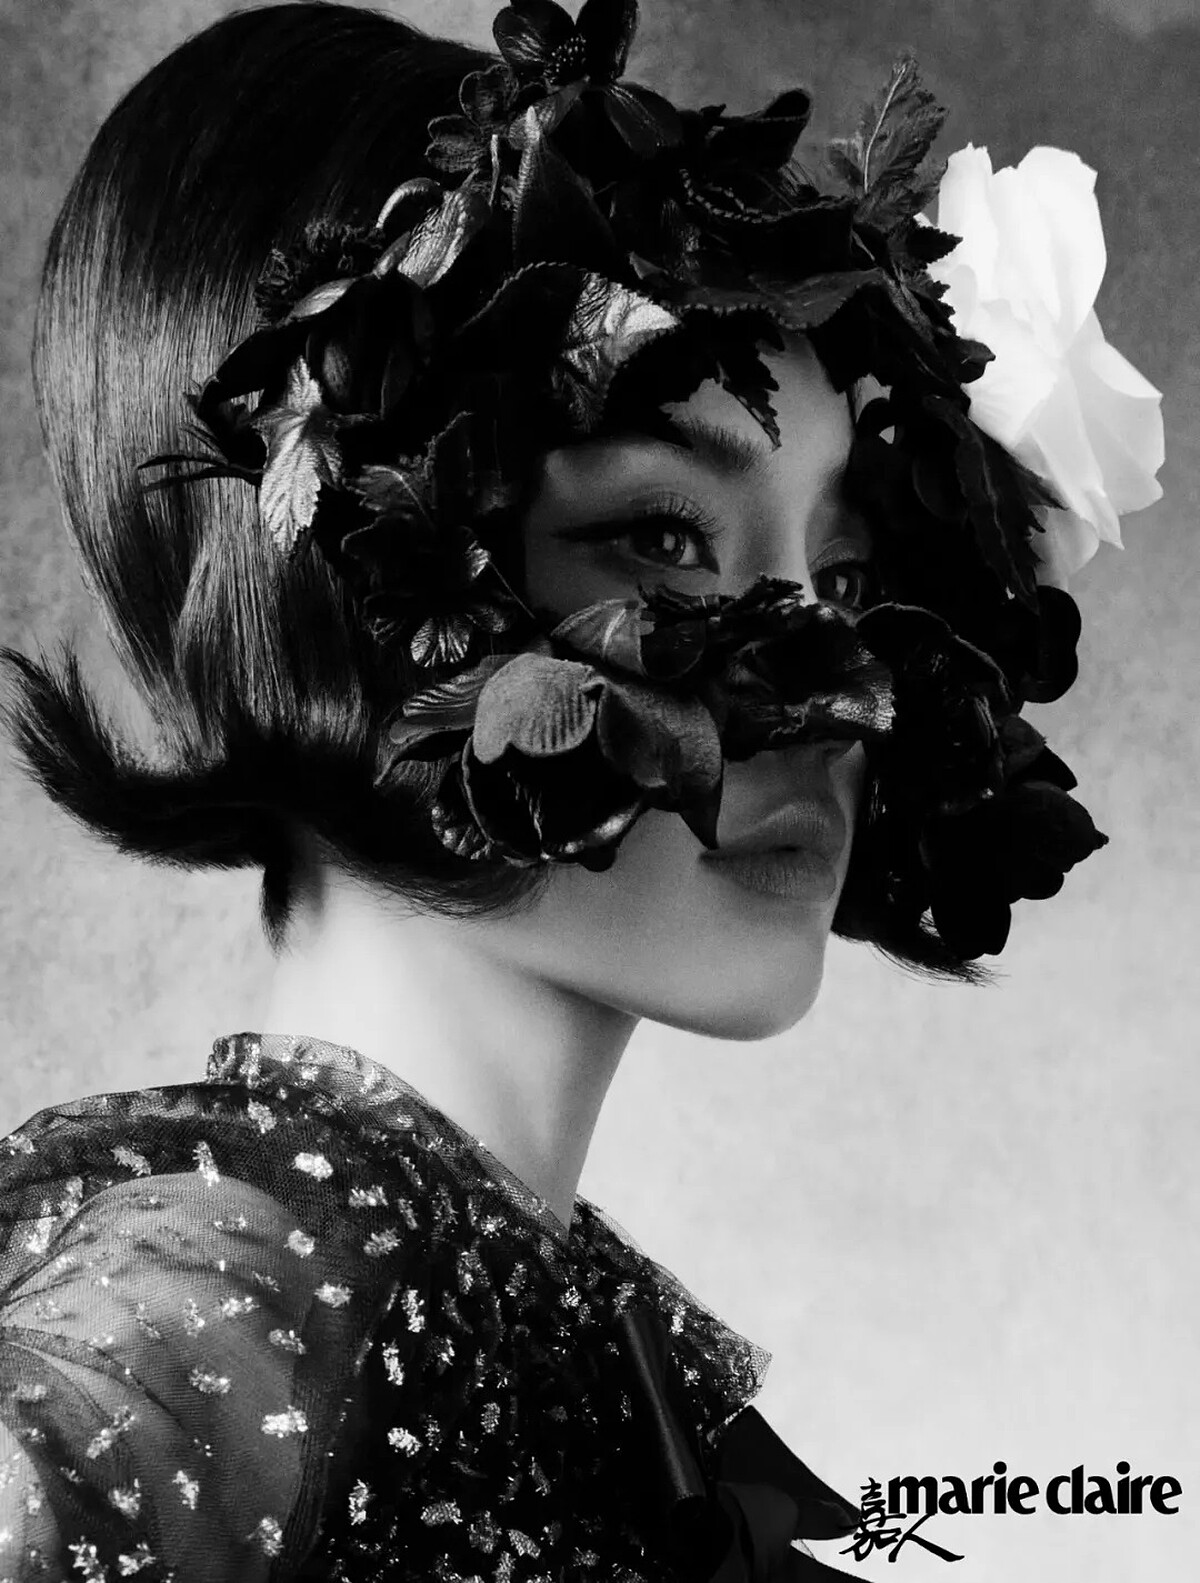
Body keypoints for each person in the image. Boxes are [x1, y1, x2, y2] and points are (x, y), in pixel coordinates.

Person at [0, 1, 1163, 1579]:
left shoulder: (514, 1312)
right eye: (662, 537)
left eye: (846, 574)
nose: (842, 686)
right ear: (353, 582)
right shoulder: (222, 1297)